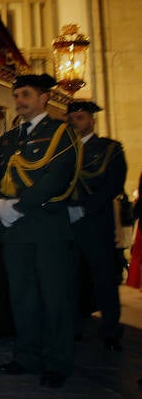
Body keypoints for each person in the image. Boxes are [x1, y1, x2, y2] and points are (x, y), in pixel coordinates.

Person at [0, 74, 82, 388]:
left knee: (54, 296)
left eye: (26, 94)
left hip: (47, 227)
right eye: (16, 96)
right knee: (22, 296)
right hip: (15, 230)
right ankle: (27, 356)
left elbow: (56, 179)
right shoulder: (9, 138)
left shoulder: (61, 133)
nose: (19, 101)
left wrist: (18, 207)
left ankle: (57, 362)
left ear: (44, 99)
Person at [66, 101, 128, 350]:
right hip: (67, 223)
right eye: (71, 118)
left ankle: (111, 330)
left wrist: (84, 208)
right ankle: (73, 326)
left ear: (92, 120)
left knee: (103, 278)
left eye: (80, 118)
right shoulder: (63, 150)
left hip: (95, 223)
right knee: (70, 277)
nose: (75, 122)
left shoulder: (109, 149)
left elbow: (113, 184)